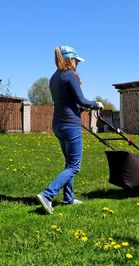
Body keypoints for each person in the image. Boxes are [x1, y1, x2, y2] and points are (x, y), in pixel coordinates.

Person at [37, 45, 103, 214]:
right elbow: (81, 99)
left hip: (58, 124)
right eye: (76, 61)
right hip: (70, 126)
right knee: (74, 167)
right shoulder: (70, 75)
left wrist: (82, 109)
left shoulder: (54, 77)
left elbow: (67, 102)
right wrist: (96, 104)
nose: (77, 65)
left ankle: (68, 198)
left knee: (69, 164)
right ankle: (47, 194)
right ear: (70, 60)